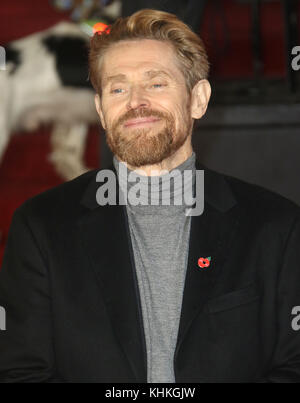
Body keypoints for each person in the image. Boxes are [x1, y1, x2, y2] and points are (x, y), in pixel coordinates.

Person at [0, 9, 300, 383]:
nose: (135, 101)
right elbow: (22, 370)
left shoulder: (275, 226)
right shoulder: (40, 226)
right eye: (118, 88)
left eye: (156, 83)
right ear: (101, 110)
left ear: (198, 99)